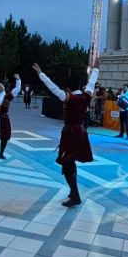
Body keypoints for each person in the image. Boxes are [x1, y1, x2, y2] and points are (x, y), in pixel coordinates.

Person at [33, 60, 98, 207]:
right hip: (80, 132)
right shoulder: (86, 96)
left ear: (68, 88)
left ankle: (75, 195)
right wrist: (95, 70)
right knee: (70, 162)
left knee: (67, 163)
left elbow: (53, 88)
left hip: (71, 134)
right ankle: (73, 192)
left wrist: (41, 74)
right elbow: (91, 84)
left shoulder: (70, 98)